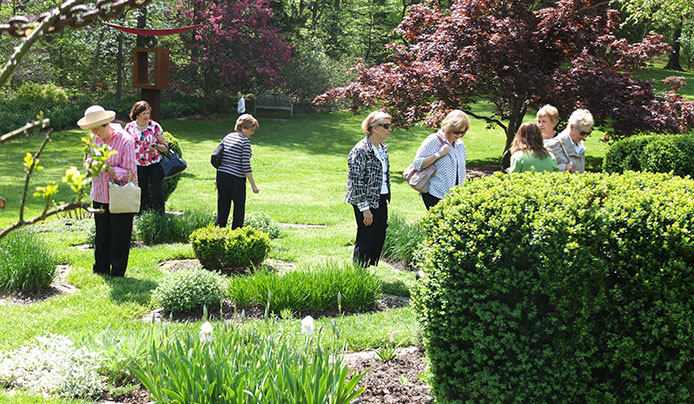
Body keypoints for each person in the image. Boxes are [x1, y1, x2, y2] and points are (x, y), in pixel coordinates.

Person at [79, 105, 137, 277]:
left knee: (119, 236)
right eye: (92, 130)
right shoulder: (93, 139)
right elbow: (88, 160)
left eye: (97, 129)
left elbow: (130, 174)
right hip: (99, 194)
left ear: (106, 124)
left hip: (120, 196)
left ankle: (117, 272)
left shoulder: (126, 141)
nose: (95, 133)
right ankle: (100, 269)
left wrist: (106, 168)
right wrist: (89, 165)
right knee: (101, 235)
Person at [346, 111, 392, 267]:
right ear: (374, 128)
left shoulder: (383, 148)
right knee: (366, 236)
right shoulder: (361, 150)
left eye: (389, 126)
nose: (389, 129)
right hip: (364, 199)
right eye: (386, 126)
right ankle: (359, 272)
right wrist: (365, 208)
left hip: (381, 197)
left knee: (379, 234)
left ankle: (365, 270)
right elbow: (356, 181)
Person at [412, 110, 469, 210]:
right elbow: (417, 164)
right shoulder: (434, 140)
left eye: (462, 132)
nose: (459, 135)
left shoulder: (460, 144)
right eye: (456, 131)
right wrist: (439, 154)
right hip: (435, 194)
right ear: (448, 127)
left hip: (456, 196)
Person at [215, 114, 260, 229]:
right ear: (244, 128)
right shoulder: (244, 142)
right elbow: (245, 166)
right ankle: (236, 234)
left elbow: (220, 158)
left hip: (222, 176)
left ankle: (218, 232)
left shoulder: (228, 137)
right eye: (251, 130)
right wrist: (253, 185)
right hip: (236, 179)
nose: (252, 133)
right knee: (239, 208)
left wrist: (217, 179)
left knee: (223, 206)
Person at [124, 101, 168, 214]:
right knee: (141, 190)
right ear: (137, 114)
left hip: (154, 163)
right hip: (138, 164)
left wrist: (157, 146)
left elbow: (165, 147)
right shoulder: (129, 128)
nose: (146, 116)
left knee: (157, 190)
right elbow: (124, 146)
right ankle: (142, 213)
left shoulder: (155, 127)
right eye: (144, 113)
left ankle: (159, 214)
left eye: (148, 113)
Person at [545, 109, 594, 174]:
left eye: (587, 133)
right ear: (572, 127)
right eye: (582, 133)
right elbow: (546, 169)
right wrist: (564, 168)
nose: (584, 137)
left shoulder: (580, 146)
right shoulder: (554, 145)